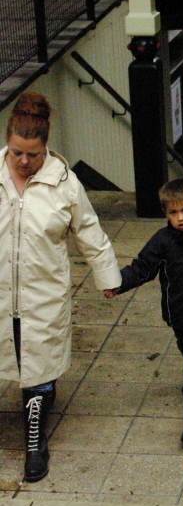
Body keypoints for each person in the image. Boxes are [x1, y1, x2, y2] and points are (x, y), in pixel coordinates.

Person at [0, 92, 121, 483]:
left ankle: (35, 441)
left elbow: (88, 231)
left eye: (32, 155)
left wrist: (108, 277)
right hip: (0, 290)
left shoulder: (65, 184)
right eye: (16, 153)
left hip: (43, 294)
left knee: (38, 366)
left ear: (46, 147)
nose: (23, 161)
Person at [105, 179, 183, 447]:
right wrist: (117, 283)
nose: (180, 218)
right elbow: (142, 267)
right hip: (178, 313)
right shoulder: (163, 241)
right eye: (173, 212)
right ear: (165, 213)